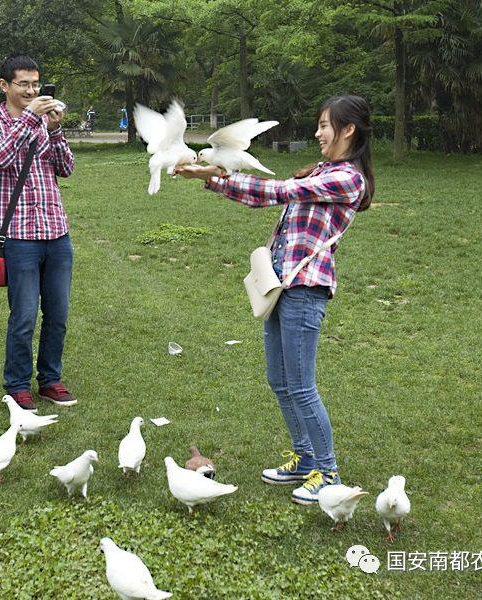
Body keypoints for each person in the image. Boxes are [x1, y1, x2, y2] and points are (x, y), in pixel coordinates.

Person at [175, 94, 375, 504]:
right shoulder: (321, 170)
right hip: (281, 285)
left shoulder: (348, 178)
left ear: (348, 129)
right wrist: (211, 179)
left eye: (324, 125)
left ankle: (329, 471)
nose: (318, 133)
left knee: (301, 386)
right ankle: (305, 460)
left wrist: (214, 175)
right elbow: (260, 197)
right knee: (279, 380)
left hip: (306, 290)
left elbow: (279, 191)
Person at [0, 55, 78, 411]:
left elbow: (66, 168)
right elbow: (0, 157)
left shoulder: (43, 123)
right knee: (23, 316)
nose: (32, 91)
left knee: (58, 314)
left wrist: (54, 131)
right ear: (5, 86)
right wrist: (32, 117)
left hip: (56, 232)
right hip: (18, 235)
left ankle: (50, 380)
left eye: (36, 85)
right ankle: (17, 384)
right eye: (24, 85)